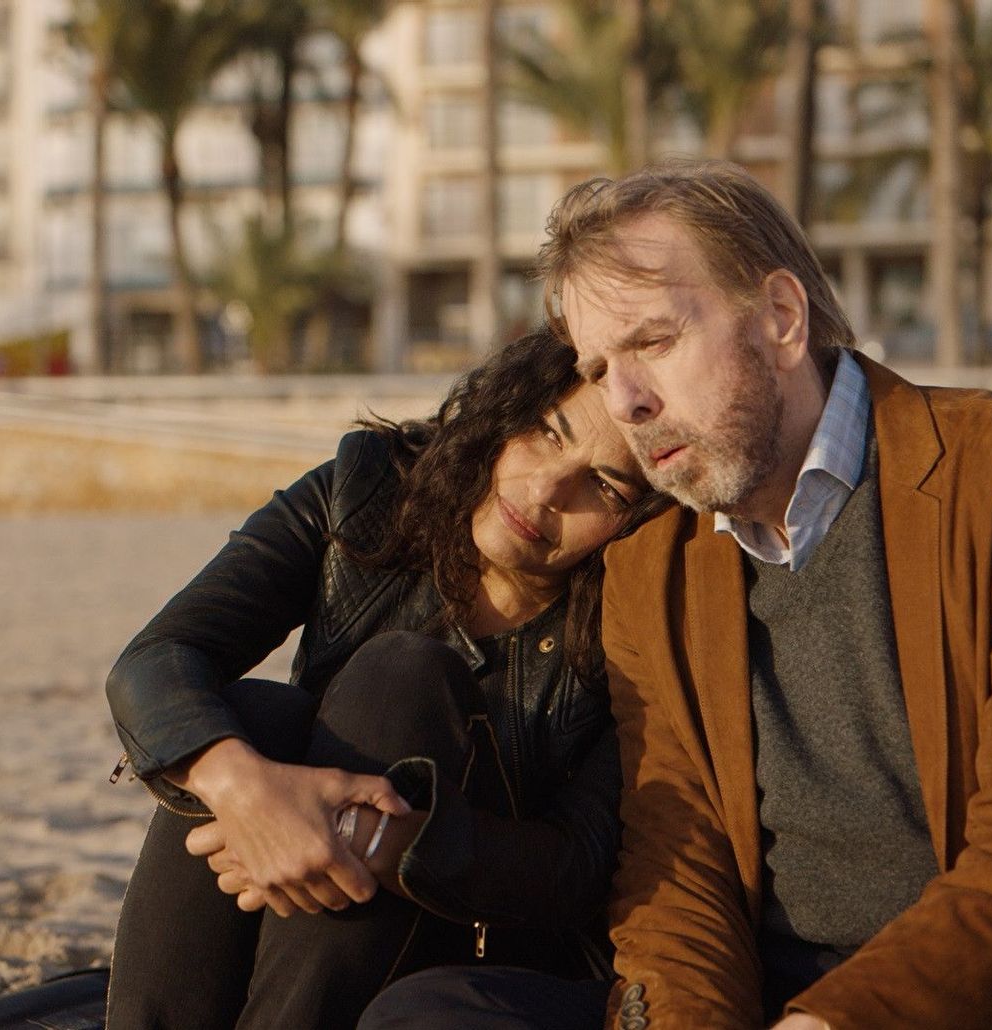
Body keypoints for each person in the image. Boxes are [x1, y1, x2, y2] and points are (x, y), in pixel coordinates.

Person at [363, 162, 992, 1029]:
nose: (625, 401)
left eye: (652, 342)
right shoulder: (649, 563)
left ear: (779, 317)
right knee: (428, 1014)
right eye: (598, 364)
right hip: (756, 996)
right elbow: (677, 855)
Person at [102, 328, 666, 1030]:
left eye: (604, 486)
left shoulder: (638, 619)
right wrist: (248, 795)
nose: (548, 489)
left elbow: (575, 865)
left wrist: (373, 836)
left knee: (402, 674)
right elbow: (158, 657)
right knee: (253, 718)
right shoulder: (366, 490)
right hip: (297, 918)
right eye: (547, 435)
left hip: (469, 936)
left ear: (640, 518)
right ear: (507, 412)